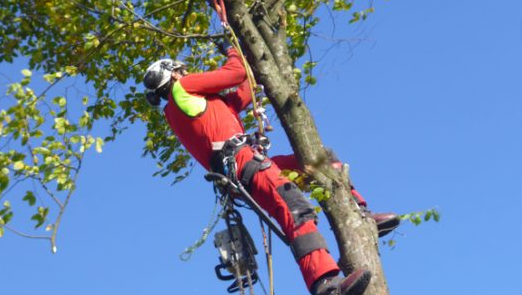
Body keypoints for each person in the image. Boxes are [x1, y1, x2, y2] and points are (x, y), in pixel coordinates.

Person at [143, 40, 397, 295]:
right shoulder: (183, 89)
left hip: (244, 166)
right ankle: (325, 284)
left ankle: (359, 213)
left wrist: (254, 63)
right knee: (295, 209)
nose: (186, 73)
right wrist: (232, 50)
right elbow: (235, 73)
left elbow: (243, 92)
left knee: (318, 160)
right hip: (244, 164)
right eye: (181, 70)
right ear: (174, 74)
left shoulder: (197, 104)